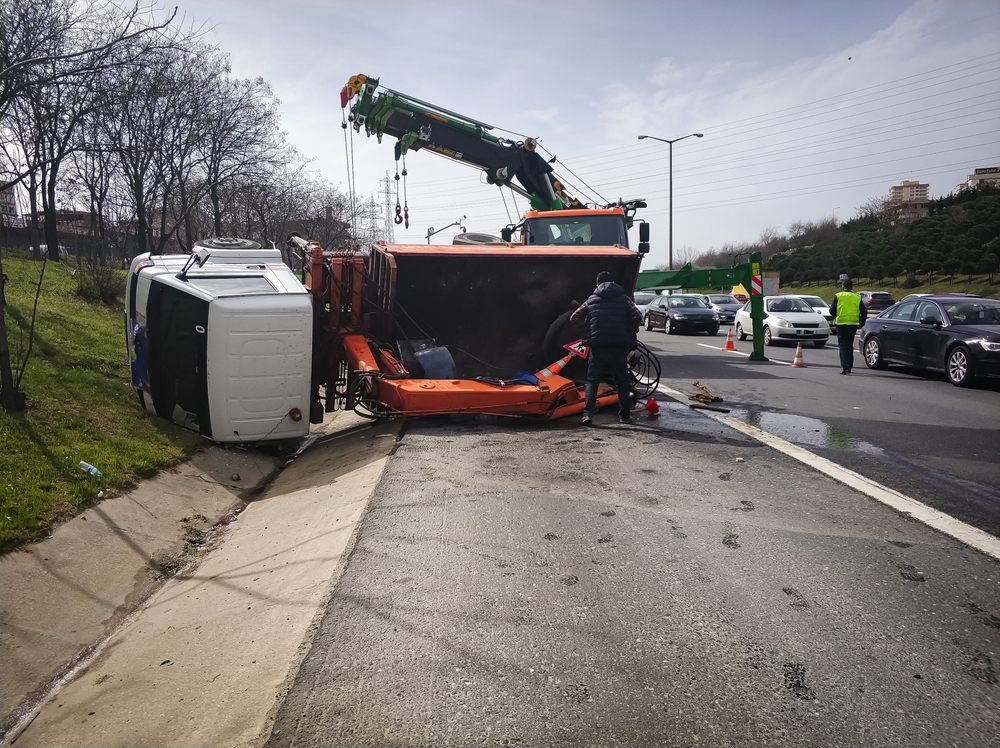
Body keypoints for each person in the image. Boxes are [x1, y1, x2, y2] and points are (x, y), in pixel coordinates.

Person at [570, 271, 643, 425]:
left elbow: (575, 317)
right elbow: (638, 315)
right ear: (613, 282)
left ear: (597, 284)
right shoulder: (624, 299)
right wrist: (631, 329)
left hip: (598, 348)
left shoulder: (592, 299)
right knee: (622, 382)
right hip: (618, 348)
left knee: (592, 382)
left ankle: (588, 415)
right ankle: (624, 416)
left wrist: (586, 331)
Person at [828, 278, 867, 374]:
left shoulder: (838, 296)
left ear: (843, 286)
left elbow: (831, 310)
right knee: (849, 345)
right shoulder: (857, 297)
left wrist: (837, 316)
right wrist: (861, 322)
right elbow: (864, 311)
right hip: (853, 324)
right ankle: (849, 365)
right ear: (851, 287)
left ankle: (846, 367)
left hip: (841, 324)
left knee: (843, 345)